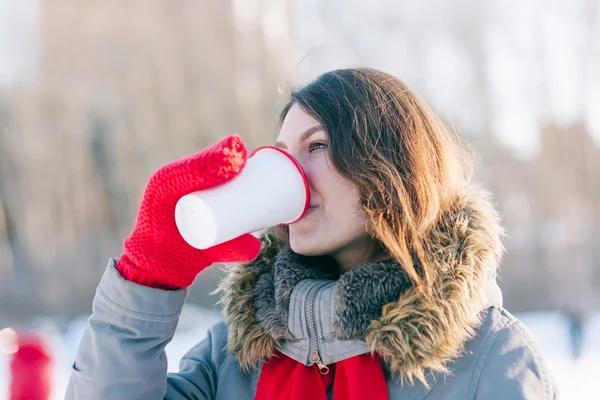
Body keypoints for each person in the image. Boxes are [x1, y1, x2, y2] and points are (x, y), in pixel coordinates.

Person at [66, 68, 556, 399]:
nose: (290, 172)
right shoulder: (235, 356)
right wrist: (147, 276)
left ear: (391, 168)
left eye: (316, 145)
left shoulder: (489, 356)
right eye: (281, 150)